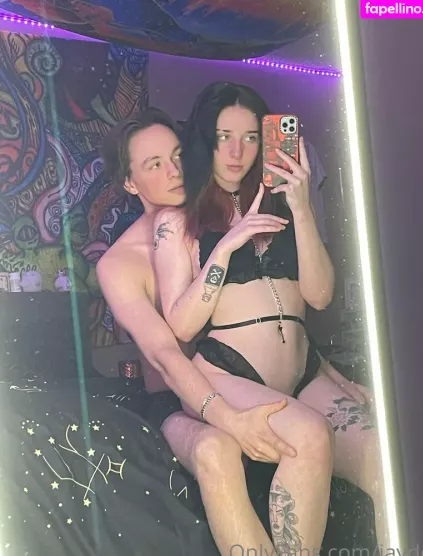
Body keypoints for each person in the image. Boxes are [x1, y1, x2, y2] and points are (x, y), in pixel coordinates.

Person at [151, 82, 387, 551]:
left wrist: (302, 207)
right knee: (309, 436)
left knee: (384, 455)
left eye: (250, 137)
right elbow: (181, 326)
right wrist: (225, 248)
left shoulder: (284, 205)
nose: (237, 152)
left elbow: (320, 296)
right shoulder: (178, 220)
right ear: (205, 141)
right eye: (224, 137)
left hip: (302, 372)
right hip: (228, 372)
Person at [96, 107, 334, 556]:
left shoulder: (219, 219)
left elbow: (277, 312)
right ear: (129, 182)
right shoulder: (119, 264)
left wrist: (327, 373)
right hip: (177, 399)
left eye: (178, 155)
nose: (174, 171)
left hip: (238, 380)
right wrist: (228, 418)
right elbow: (166, 354)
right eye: (154, 164)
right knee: (216, 450)